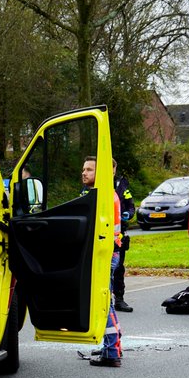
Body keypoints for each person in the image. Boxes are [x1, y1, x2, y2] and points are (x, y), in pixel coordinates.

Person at [79, 156, 122, 367]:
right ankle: (112, 346)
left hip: (106, 256)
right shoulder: (103, 194)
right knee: (108, 302)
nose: (84, 173)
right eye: (83, 169)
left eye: (89, 170)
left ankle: (112, 351)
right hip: (111, 254)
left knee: (104, 303)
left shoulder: (103, 197)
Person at [112, 159, 135, 312]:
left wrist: (128, 214)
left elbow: (130, 206)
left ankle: (119, 299)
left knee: (119, 267)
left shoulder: (121, 184)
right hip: (100, 234)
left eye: (112, 167)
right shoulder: (94, 184)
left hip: (119, 235)